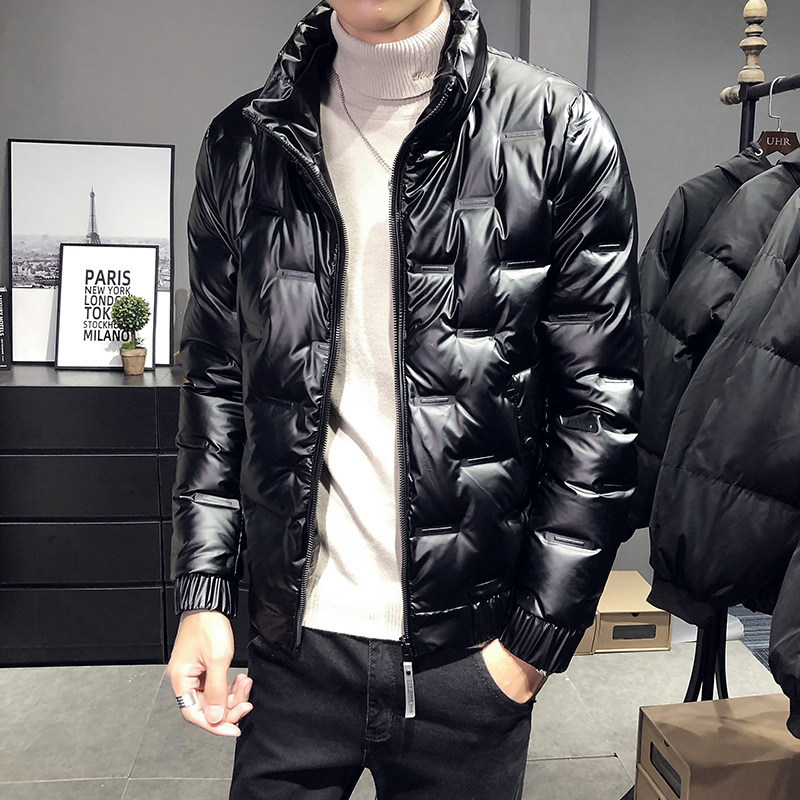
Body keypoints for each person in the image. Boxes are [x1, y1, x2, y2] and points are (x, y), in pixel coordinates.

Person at [167, 1, 642, 798]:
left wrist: (529, 648)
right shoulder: (243, 142)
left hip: (472, 663)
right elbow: (217, 385)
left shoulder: (558, 131)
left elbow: (600, 408)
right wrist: (205, 592)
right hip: (292, 653)